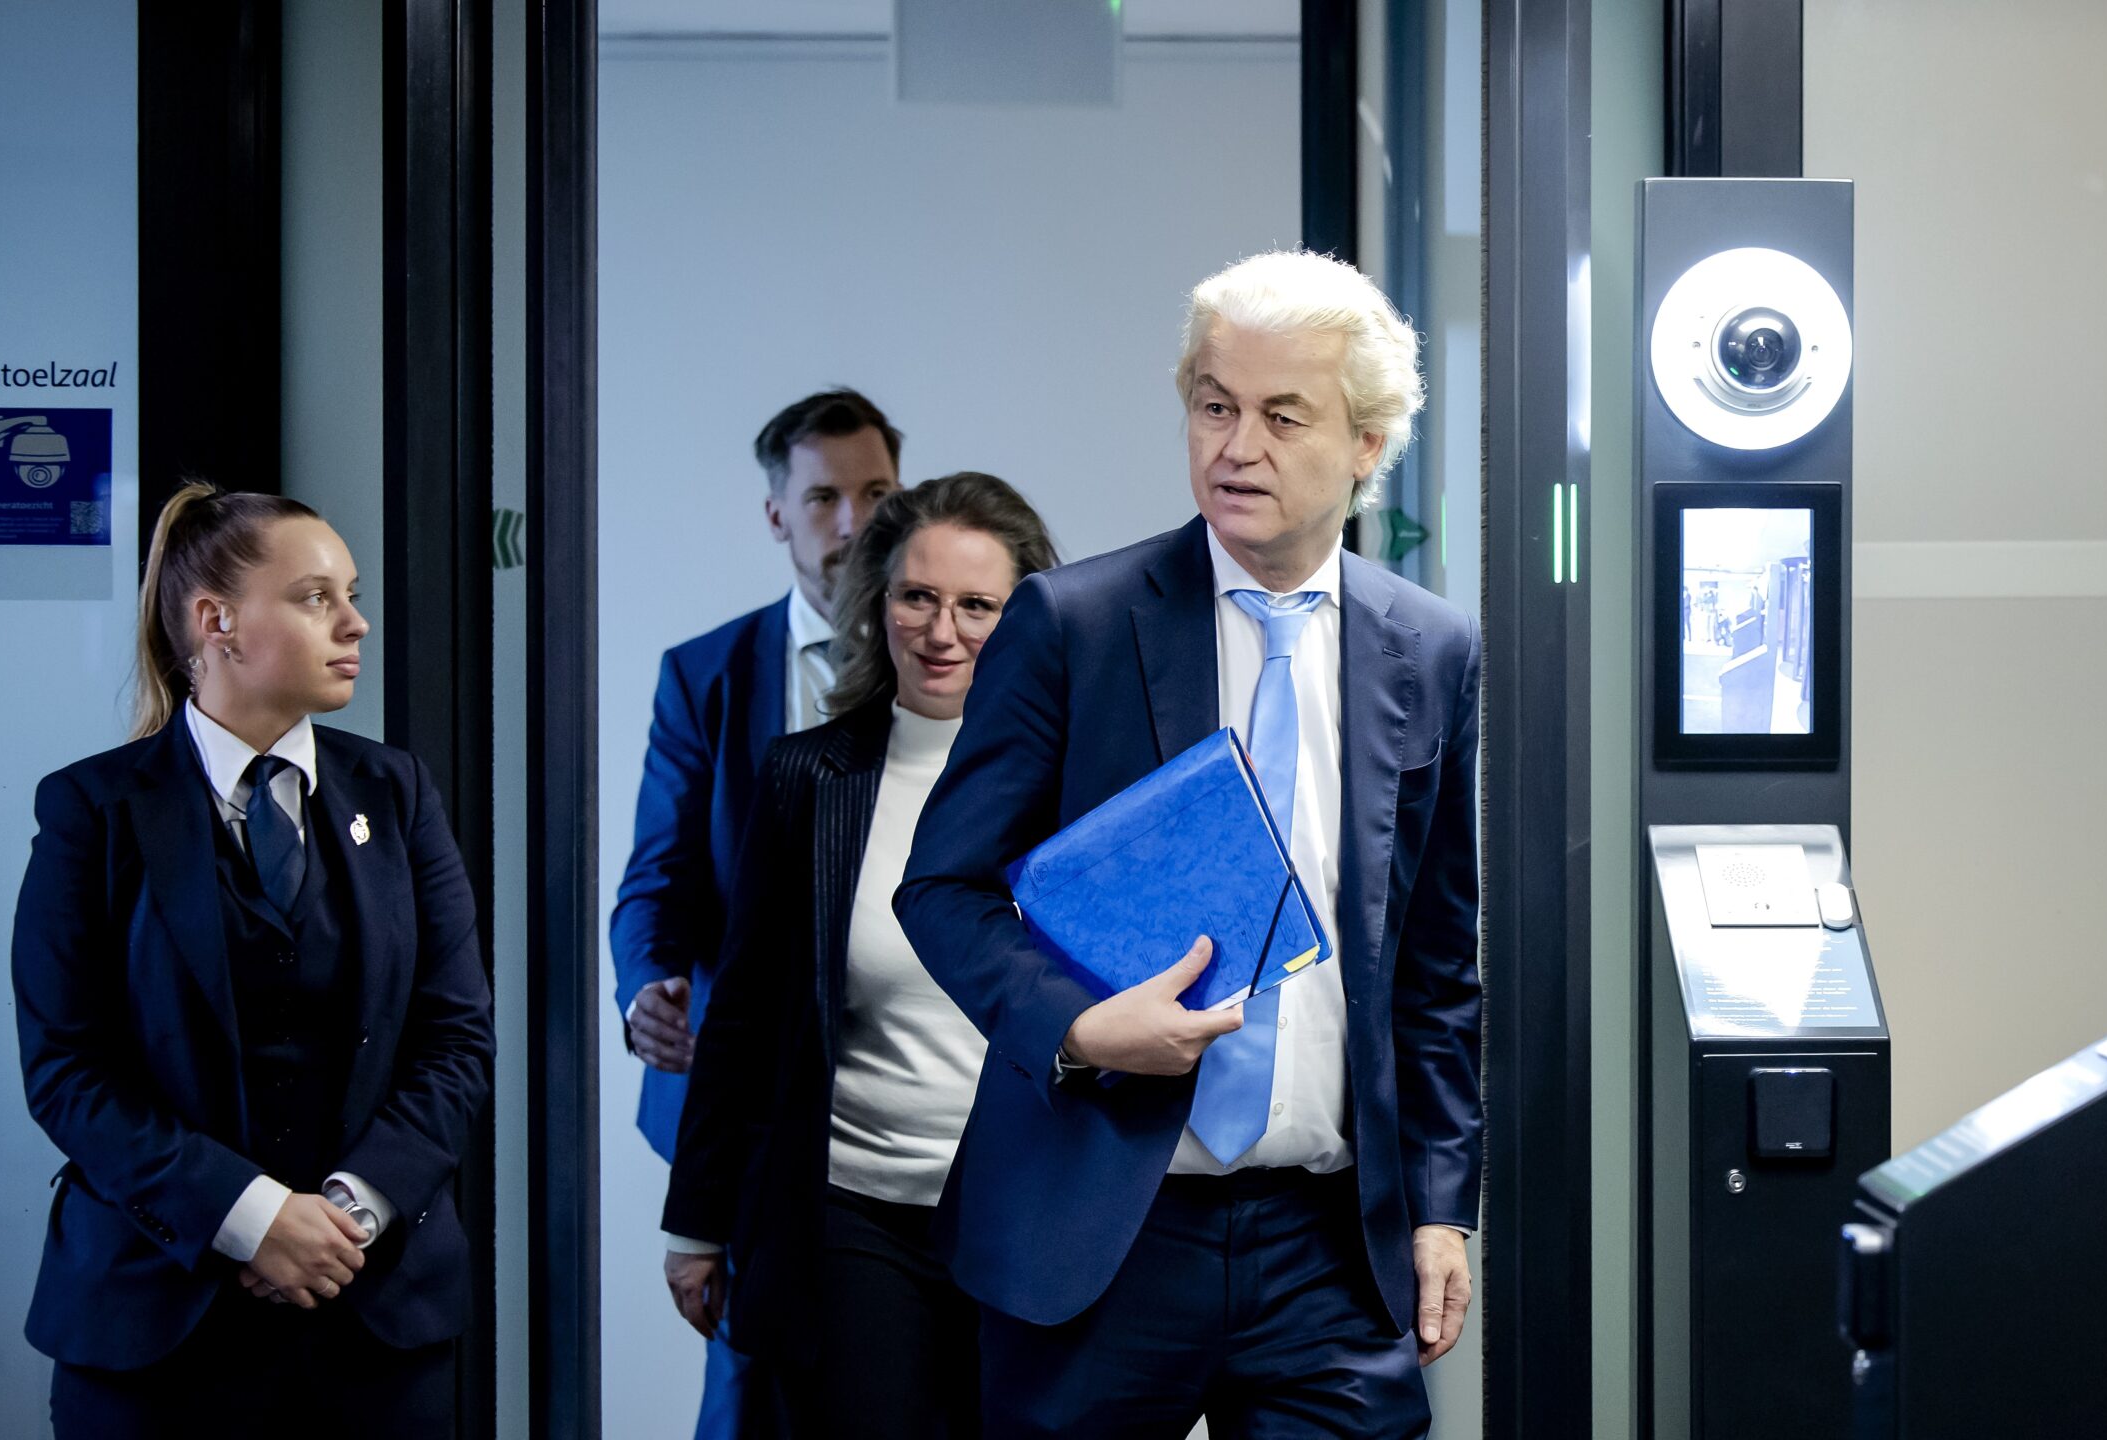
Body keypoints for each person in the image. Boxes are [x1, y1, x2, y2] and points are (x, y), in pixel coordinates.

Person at [896, 251, 1482, 1437]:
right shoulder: (1074, 624)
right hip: (1103, 1228)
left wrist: (1439, 1206)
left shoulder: (1429, 649)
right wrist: (1073, 1025)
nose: (1235, 445)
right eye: (1213, 406)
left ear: (1367, 445)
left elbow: (1436, 962)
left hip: (1330, 1247)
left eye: (1281, 415)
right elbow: (943, 889)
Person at [12, 483, 494, 1437]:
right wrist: (250, 1216)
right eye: (317, 597)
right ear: (217, 620)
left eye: (349, 594)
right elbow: (67, 1071)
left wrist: (348, 1214)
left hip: (376, 1320)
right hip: (155, 1326)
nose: (354, 622)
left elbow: (457, 1037)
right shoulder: (92, 812)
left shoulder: (396, 792)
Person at [660, 473, 1060, 1438]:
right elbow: (746, 1014)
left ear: (1028, 620)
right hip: (856, 1217)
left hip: (1030, 1219)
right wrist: (695, 1224)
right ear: (877, 603)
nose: (942, 630)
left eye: (978, 605)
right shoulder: (809, 776)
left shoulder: (1076, 783)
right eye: (917, 597)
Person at [610, 388, 901, 1438]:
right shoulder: (707, 675)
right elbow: (657, 877)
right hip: (752, 1101)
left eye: (875, 493)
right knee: (750, 1401)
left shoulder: (955, 662)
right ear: (776, 513)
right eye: (823, 496)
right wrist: (644, 985)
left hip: (914, 1095)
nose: (853, 522)